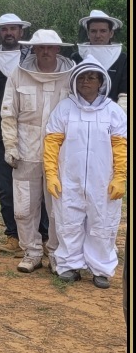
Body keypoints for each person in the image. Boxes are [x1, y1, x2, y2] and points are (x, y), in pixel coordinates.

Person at [44, 56, 127, 287]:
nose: (86, 81)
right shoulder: (64, 108)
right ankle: (70, 265)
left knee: (102, 224)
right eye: (82, 77)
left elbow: (121, 147)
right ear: (74, 81)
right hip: (69, 179)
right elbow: (52, 143)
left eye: (91, 77)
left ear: (101, 81)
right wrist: (51, 174)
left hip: (103, 181)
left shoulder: (113, 112)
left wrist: (121, 177)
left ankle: (101, 269)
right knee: (68, 222)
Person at [0, 29, 75, 274]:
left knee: (58, 208)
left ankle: (55, 252)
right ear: (33, 49)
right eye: (39, 47)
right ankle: (31, 252)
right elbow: (8, 114)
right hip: (25, 150)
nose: (44, 51)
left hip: (60, 154)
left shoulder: (71, 76)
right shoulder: (18, 75)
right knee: (23, 207)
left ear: (57, 49)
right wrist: (10, 146)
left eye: (49, 47)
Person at [0, 13, 47, 258]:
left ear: (21, 32)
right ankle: (13, 235)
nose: (9, 33)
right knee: (6, 189)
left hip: (33, 137)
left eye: (13, 29)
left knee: (39, 188)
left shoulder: (33, 61)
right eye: (4, 29)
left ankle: (42, 237)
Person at [72, 10, 127, 109]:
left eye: (103, 31)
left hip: (114, 115)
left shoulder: (123, 59)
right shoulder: (76, 58)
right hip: (80, 112)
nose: (98, 35)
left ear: (111, 33)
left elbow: (125, 94)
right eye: (93, 31)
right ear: (88, 34)